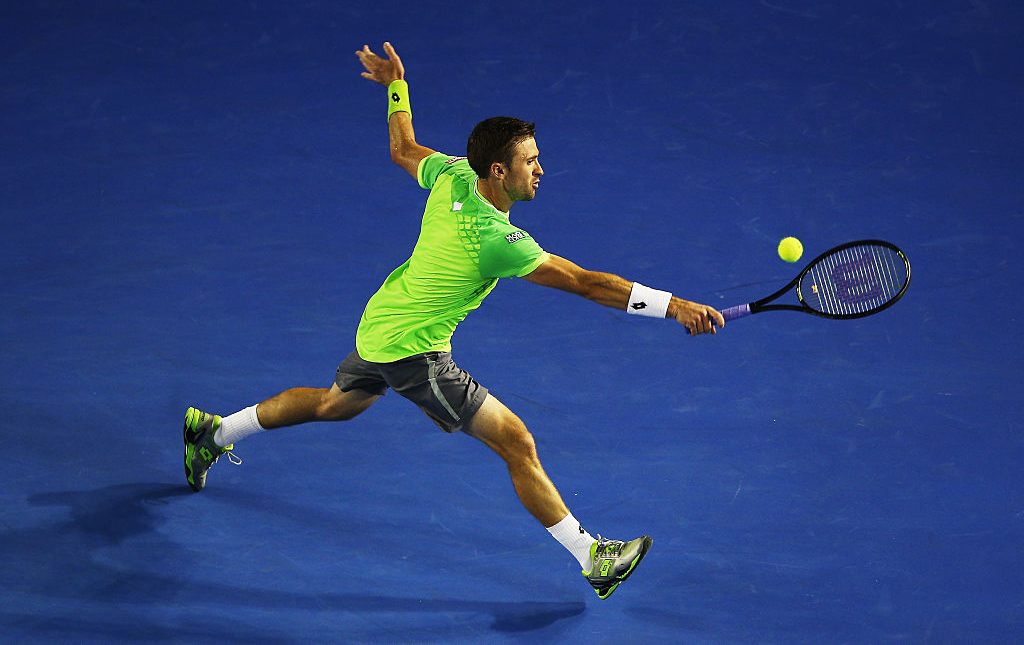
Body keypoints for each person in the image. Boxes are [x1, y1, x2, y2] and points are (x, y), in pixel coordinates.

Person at [184, 41, 725, 600]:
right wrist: (675, 305)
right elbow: (586, 283)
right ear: (498, 169)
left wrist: (397, 86)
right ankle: (593, 557)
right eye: (530, 162)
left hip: (382, 322)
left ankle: (213, 432)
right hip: (415, 353)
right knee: (516, 441)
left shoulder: (452, 175)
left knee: (333, 404)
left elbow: (402, 148)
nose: (541, 170)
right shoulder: (498, 240)